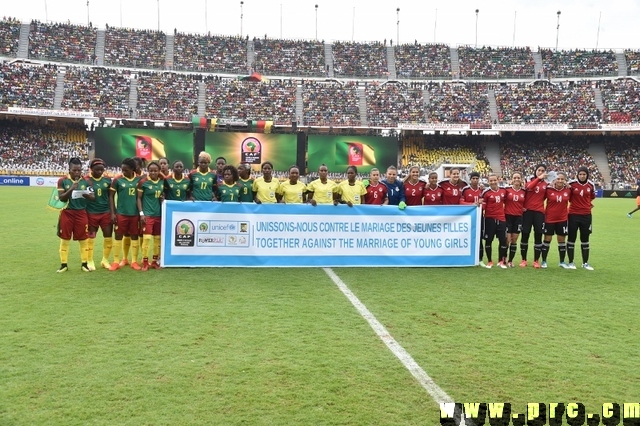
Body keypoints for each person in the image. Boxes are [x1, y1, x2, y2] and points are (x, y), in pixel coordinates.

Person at [56, 157, 95, 273]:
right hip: (67, 213)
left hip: (81, 213)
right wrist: (72, 189)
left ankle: (84, 264)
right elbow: (61, 198)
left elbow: (93, 197)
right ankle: (64, 265)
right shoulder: (62, 181)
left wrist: (85, 195)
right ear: (69, 169)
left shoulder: (86, 181)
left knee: (83, 239)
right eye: (74, 170)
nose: (77, 173)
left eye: (79, 170)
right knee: (65, 239)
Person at [109, 158, 143, 271]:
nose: (123, 172)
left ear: (133, 169)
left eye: (126, 170)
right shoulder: (117, 180)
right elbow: (111, 196)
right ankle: (116, 261)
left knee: (134, 236)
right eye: (122, 170)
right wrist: (113, 213)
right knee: (118, 236)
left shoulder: (140, 180)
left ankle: (134, 261)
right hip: (121, 213)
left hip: (134, 214)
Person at [85, 158, 113, 270]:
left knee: (108, 237)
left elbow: (111, 197)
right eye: (97, 170)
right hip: (91, 213)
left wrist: (112, 212)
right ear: (91, 169)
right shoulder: (86, 180)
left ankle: (105, 260)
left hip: (105, 212)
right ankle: (89, 260)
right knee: (91, 238)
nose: (100, 172)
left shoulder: (107, 180)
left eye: (102, 170)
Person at [540, 171, 571, 269]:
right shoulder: (548, 189)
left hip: (562, 219)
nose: (560, 181)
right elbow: (539, 199)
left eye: (562, 179)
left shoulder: (569, 190)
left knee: (561, 241)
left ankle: (562, 262)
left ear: (565, 180)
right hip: (549, 219)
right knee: (547, 240)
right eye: (558, 178)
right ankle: (544, 261)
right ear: (555, 179)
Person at [137, 161, 164, 271]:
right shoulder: (143, 182)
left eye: (155, 170)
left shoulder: (162, 182)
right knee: (147, 238)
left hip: (158, 215)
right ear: (148, 171)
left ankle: (155, 261)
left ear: (159, 171)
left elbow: (164, 193)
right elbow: (138, 198)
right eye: (151, 170)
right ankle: (145, 262)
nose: (153, 172)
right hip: (147, 215)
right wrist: (141, 213)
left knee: (157, 239)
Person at [567, 166, 596, 270]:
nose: (582, 176)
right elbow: (568, 197)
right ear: (577, 175)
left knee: (585, 239)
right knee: (571, 238)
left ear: (587, 175)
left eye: (584, 174)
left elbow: (592, 197)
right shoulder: (572, 184)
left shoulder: (591, 185)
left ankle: (585, 263)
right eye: (580, 174)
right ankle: (571, 262)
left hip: (586, 215)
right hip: (573, 215)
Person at [521, 164, 548, 268]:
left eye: (542, 170)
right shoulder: (529, 180)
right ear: (535, 171)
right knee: (525, 235)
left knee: (538, 236)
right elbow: (528, 187)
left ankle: (536, 260)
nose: (540, 172)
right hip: (527, 212)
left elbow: (545, 197)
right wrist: (538, 179)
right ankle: (524, 260)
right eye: (539, 170)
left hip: (539, 213)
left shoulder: (546, 184)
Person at [480, 174, 508, 268]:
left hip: (501, 218)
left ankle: (501, 261)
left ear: (498, 180)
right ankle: (489, 261)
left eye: (494, 180)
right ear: (488, 182)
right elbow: (482, 206)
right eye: (491, 181)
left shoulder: (504, 190)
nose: (493, 182)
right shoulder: (486, 192)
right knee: (488, 240)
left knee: (503, 241)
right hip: (489, 219)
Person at [461, 171, 484, 265]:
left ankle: (480, 259)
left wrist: (481, 205)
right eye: (473, 179)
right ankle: (466, 257)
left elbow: (486, 203)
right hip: (468, 218)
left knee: (479, 238)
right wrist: (472, 205)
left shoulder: (482, 190)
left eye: (476, 178)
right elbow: (461, 202)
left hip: (480, 217)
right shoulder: (465, 190)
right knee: (466, 237)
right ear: (470, 180)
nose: (475, 180)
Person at [504, 172, 526, 268]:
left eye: (518, 177)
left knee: (514, 240)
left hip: (518, 218)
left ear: (521, 179)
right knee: (507, 240)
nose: (516, 179)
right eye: (514, 177)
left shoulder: (524, 192)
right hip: (508, 217)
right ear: (512, 179)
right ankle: (503, 259)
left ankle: (510, 261)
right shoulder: (507, 190)